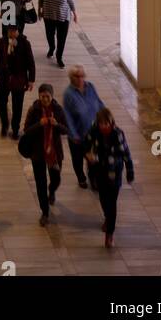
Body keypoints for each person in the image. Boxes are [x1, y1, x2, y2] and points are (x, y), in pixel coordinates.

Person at [83, 107, 134, 248]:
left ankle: (110, 233)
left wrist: (130, 171)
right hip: (99, 173)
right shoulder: (94, 132)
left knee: (112, 204)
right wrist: (87, 154)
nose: (104, 126)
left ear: (111, 123)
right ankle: (107, 217)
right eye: (102, 124)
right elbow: (85, 144)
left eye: (107, 123)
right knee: (103, 200)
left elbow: (125, 153)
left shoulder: (118, 134)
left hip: (114, 173)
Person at [21, 84, 67, 226]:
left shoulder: (58, 110)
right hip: (38, 154)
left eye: (48, 96)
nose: (45, 99)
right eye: (43, 96)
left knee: (56, 178)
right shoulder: (34, 110)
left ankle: (52, 190)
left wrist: (57, 125)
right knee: (40, 184)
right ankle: (45, 213)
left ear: (52, 97)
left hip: (54, 153)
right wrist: (39, 124)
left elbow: (66, 129)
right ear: (39, 97)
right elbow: (27, 130)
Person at [62, 66, 103, 188]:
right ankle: (81, 177)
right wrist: (73, 134)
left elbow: (99, 103)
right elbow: (67, 116)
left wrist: (106, 118)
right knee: (78, 158)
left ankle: (94, 179)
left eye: (82, 76)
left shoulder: (90, 87)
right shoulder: (68, 94)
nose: (80, 79)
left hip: (93, 131)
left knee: (93, 157)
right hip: (78, 134)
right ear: (71, 78)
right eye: (77, 76)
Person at [0, 23, 35, 138]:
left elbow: (31, 62)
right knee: (0, 101)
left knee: (17, 105)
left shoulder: (25, 43)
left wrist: (31, 79)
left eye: (13, 31)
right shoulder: (3, 41)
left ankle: (15, 129)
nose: (11, 34)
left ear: (18, 31)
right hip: (4, 78)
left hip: (18, 78)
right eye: (9, 31)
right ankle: (4, 124)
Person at [38, 0, 78, 67]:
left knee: (61, 39)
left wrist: (75, 14)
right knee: (49, 35)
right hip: (48, 15)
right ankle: (52, 48)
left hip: (63, 18)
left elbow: (70, 1)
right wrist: (39, 10)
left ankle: (59, 57)